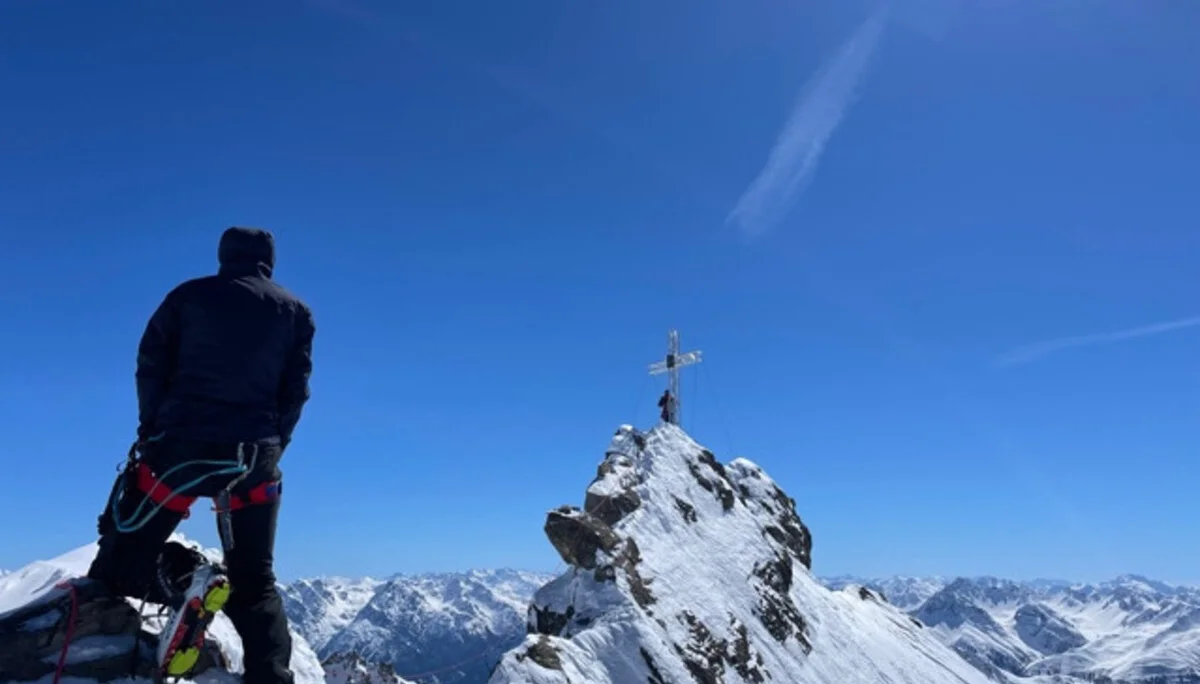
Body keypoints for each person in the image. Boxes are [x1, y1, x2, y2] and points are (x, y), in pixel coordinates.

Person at [86, 227, 314, 684]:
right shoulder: (295, 312)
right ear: (269, 260)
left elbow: (150, 365)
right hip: (253, 460)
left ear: (223, 255)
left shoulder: (186, 298)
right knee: (256, 581)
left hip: (179, 452)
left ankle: (180, 578)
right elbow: (296, 391)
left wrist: (152, 431)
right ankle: (269, 675)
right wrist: (273, 446)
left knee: (123, 545)